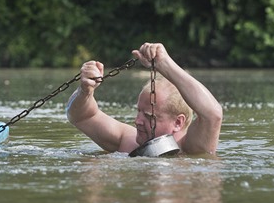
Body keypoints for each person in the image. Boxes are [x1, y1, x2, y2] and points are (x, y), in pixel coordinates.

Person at [66, 42, 222, 155]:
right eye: (139, 111)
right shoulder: (128, 140)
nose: (137, 121)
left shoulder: (192, 148)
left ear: (178, 122)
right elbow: (81, 116)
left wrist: (165, 64)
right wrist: (85, 90)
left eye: (149, 116)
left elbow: (213, 115)